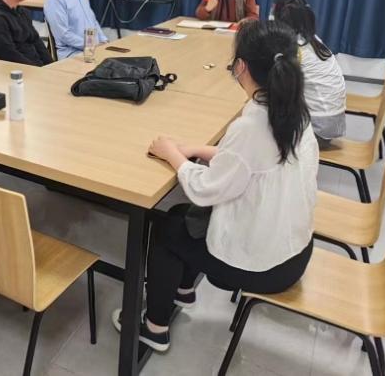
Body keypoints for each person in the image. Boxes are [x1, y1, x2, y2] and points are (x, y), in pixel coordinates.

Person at [121, 20, 317, 352]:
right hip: (294, 249)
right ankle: (182, 290)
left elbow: (205, 189)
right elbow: (249, 164)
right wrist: (196, 149)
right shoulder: (292, 110)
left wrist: (172, 155)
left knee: (169, 226)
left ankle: (154, 328)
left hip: (265, 266)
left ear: (241, 67)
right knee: (189, 219)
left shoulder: (252, 126)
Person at [272, 0, 346, 147]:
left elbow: (281, 88)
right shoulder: (312, 40)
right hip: (333, 121)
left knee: (265, 117)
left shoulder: (296, 50)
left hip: (318, 130)